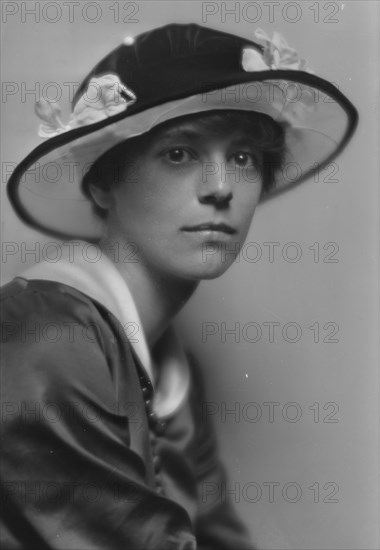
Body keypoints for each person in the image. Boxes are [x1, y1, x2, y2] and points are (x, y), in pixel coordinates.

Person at [1, 23, 358, 549]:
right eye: (179, 154)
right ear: (103, 181)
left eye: (243, 158)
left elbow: (214, 534)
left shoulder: (168, 366)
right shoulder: (47, 334)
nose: (220, 189)